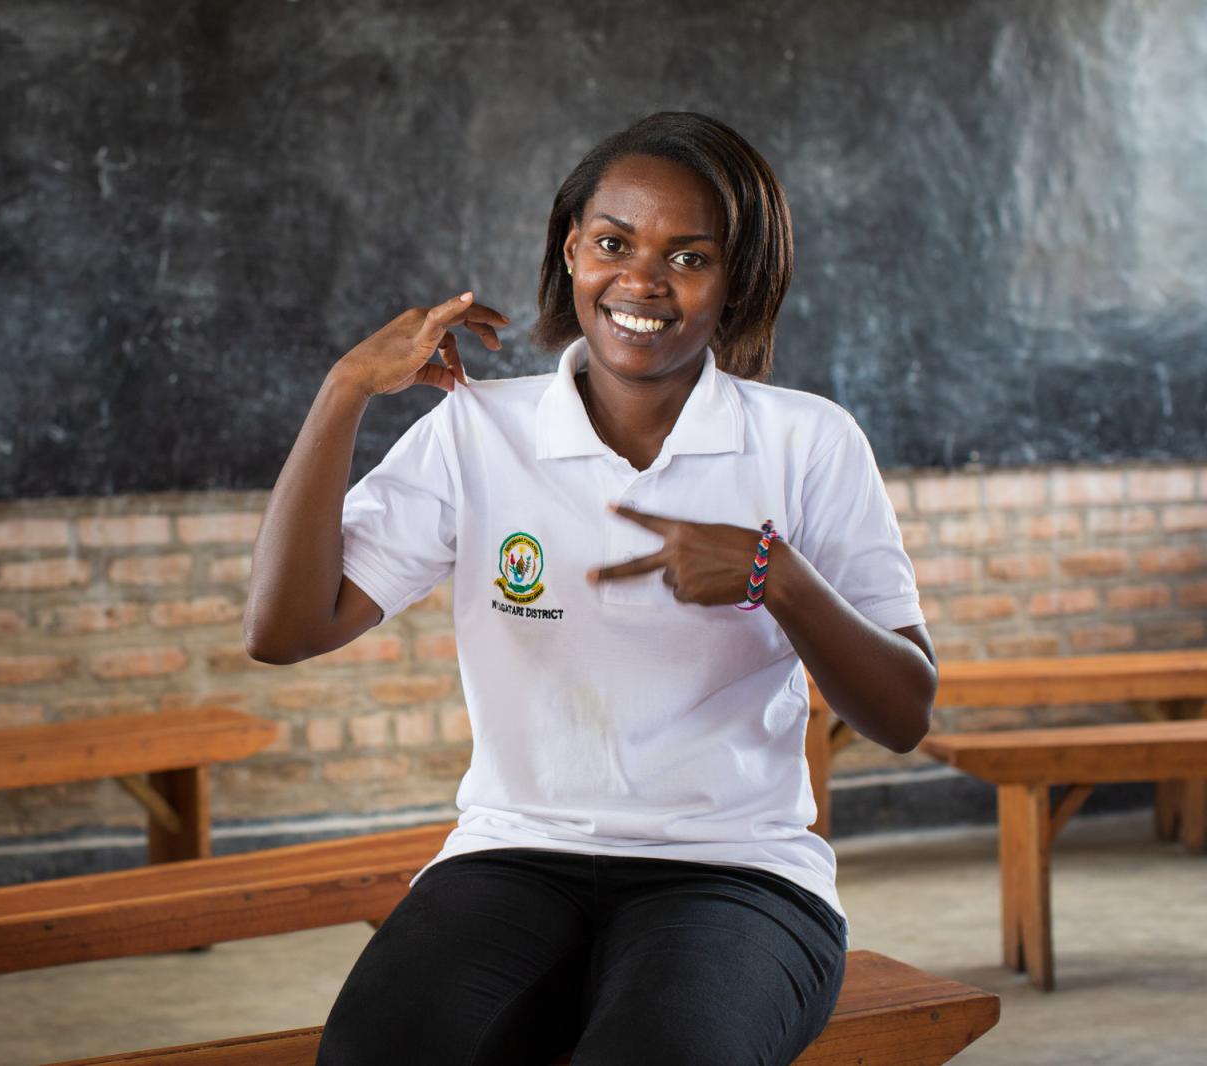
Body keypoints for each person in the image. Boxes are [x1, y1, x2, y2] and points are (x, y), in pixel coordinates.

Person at [244, 111, 938, 1065]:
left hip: (735, 874)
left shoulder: (808, 442)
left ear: (736, 281)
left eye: (689, 257)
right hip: (513, 856)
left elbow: (905, 712)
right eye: (614, 243)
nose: (641, 281)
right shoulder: (477, 430)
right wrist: (345, 390)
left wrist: (778, 578)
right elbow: (282, 630)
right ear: (573, 250)